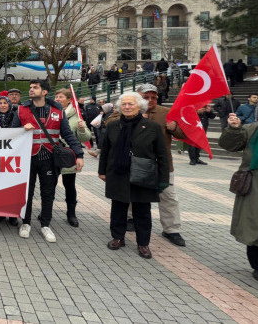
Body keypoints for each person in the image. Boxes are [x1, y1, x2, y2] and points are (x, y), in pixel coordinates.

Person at [219, 90, 258, 283]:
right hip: (256, 191)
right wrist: (233, 129)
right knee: (257, 228)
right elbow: (229, 145)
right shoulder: (253, 129)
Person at [10, 79, 84, 242]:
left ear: (44, 92)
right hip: (27, 158)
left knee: (48, 192)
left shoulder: (57, 111)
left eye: (35, 88)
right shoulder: (21, 110)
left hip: (49, 158)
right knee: (27, 192)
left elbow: (68, 135)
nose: (31, 90)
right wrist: (22, 130)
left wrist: (79, 154)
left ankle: (45, 224)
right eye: (30, 87)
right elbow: (12, 134)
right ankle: (26, 222)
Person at [98, 92, 169, 259]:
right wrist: (102, 171)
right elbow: (105, 151)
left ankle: (143, 243)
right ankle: (118, 237)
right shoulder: (113, 126)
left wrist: (163, 179)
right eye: (124, 104)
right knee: (118, 208)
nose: (127, 107)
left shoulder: (152, 127)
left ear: (140, 106)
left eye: (131, 104)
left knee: (142, 211)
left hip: (142, 175)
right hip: (118, 173)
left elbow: (162, 155)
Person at [132, 84, 188, 247]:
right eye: (145, 97)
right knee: (132, 194)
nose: (150, 100)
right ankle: (130, 219)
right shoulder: (129, 108)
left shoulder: (167, 113)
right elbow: (111, 121)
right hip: (136, 162)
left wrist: (175, 127)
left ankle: (171, 229)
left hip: (162, 164)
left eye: (153, 97)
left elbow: (184, 134)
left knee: (168, 196)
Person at [55, 88, 92, 227]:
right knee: (49, 185)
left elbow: (86, 137)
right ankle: (46, 211)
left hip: (68, 156)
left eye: (61, 97)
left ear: (69, 100)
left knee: (69, 185)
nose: (58, 99)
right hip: (52, 154)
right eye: (57, 96)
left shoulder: (76, 116)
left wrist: (82, 129)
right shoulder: (52, 112)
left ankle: (71, 213)